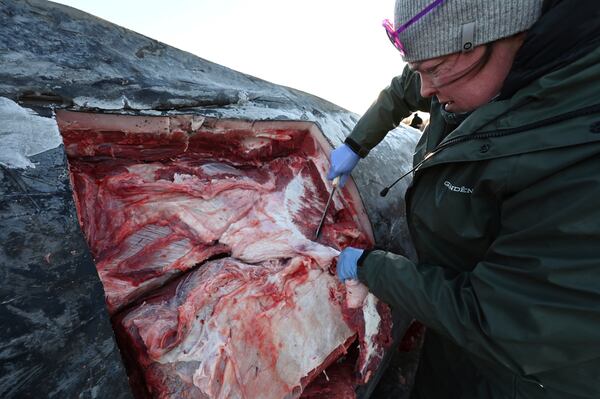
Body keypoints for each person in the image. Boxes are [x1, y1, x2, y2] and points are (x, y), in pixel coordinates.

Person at [327, 0, 600, 398]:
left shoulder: (580, 155)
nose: (425, 90)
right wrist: (356, 141)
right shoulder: (475, 74)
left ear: (487, 38)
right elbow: (407, 88)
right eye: (422, 68)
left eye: (434, 70)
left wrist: (375, 269)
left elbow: (502, 321)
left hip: (525, 378)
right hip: (453, 342)